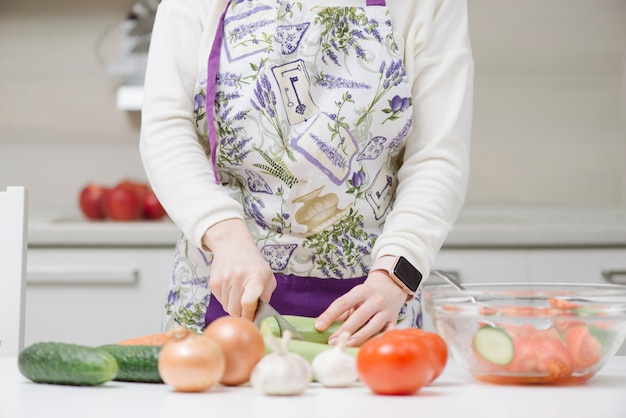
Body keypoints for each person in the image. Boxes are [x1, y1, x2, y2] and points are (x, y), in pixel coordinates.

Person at [140, 0, 473, 347]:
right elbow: (165, 129)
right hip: (225, 285)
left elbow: (437, 155)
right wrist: (224, 236)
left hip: (375, 302)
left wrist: (393, 277)